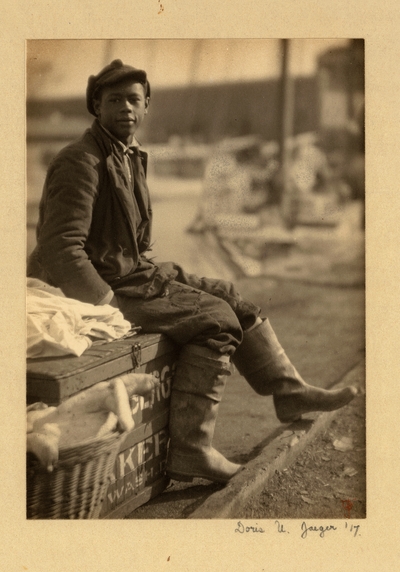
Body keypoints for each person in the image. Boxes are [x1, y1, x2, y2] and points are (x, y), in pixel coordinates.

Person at [27, 60, 357, 485]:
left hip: (129, 272)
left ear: (147, 107)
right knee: (216, 320)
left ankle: (288, 394)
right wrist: (106, 308)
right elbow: (60, 248)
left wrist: (153, 273)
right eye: (114, 101)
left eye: (133, 100)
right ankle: (191, 450)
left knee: (230, 296)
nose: (125, 108)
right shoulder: (81, 161)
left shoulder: (128, 156)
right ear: (96, 106)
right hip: (94, 291)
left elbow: (130, 243)